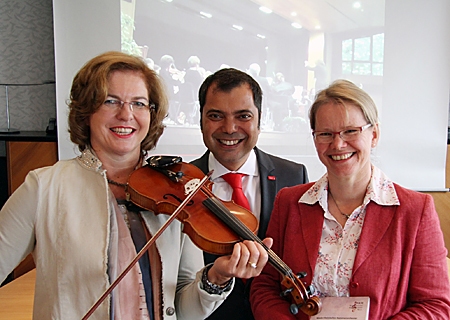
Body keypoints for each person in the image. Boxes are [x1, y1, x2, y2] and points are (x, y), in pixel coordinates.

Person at [0, 51, 272, 320]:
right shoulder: (44, 187)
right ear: (86, 111)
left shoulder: (178, 189)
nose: (126, 114)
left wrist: (217, 277)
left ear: (151, 114)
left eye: (139, 103)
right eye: (110, 101)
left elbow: (184, 311)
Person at [250, 79, 450, 319]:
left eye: (350, 131)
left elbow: (435, 305)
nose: (338, 144)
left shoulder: (416, 210)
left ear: (374, 134)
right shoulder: (290, 203)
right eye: (325, 134)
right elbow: (265, 287)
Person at [191, 67, 309, 320]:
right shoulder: (179, 186)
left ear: (259, 118)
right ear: (200, 118)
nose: (230, 128)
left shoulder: (294, 176)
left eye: (243, 116)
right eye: (216, 115)